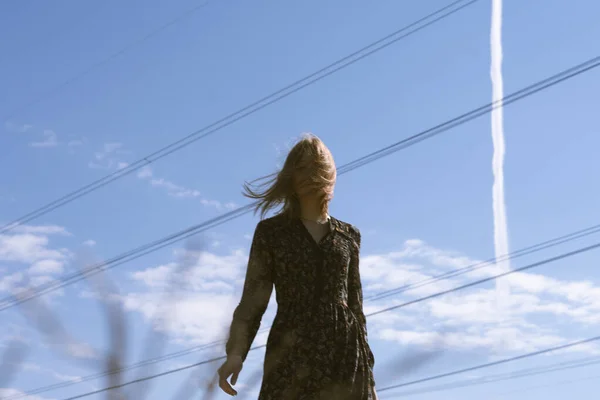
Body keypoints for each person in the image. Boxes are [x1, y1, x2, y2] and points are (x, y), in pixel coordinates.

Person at [217, 133, 377, 399]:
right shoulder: (272, 233)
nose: (306, 175)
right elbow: (252, 302)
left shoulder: (349, 236)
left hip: (344, 354)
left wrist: (369, 380)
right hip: (291, 348)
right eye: (299, 168)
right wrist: (236, 354)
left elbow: (357, 310)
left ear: (327, 174)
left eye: (313, 167)